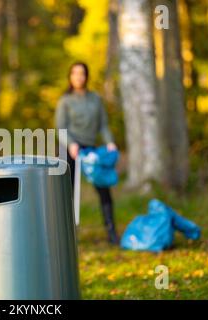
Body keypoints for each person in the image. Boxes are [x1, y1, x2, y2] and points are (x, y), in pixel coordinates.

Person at [55, 62, 120, 245]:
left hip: (91, 149)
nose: (78, 77)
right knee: (68, 193)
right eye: (75, 73)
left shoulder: (95, 99)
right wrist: (71, 144)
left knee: (104, 189)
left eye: (82, 73)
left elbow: (103, 125)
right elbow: (60, 128)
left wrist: (110, 142)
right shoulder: (65, 101)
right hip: (71, 149)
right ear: (70, 77)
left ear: (86, 76)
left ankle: (111, 232)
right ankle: (67, 235)